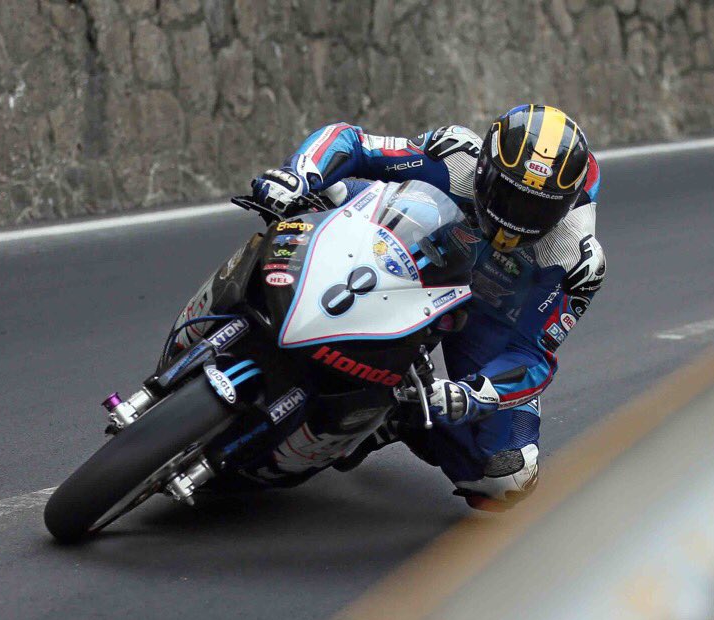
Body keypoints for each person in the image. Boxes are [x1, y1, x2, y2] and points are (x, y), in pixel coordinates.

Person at [249, 104, 606, 510]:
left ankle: (399, 416)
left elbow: (532, 355)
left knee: (507, 478)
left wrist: (473, 394)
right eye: (508, 195)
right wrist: (299, 174)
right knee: (322, 194)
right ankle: (258, 295)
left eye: (536, 208)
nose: (514, 217)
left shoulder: (576, 261)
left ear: (565, 204)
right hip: (427, 241)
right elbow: (354, 142)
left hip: (492, 312)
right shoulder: (458, 155)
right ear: (486, 166)